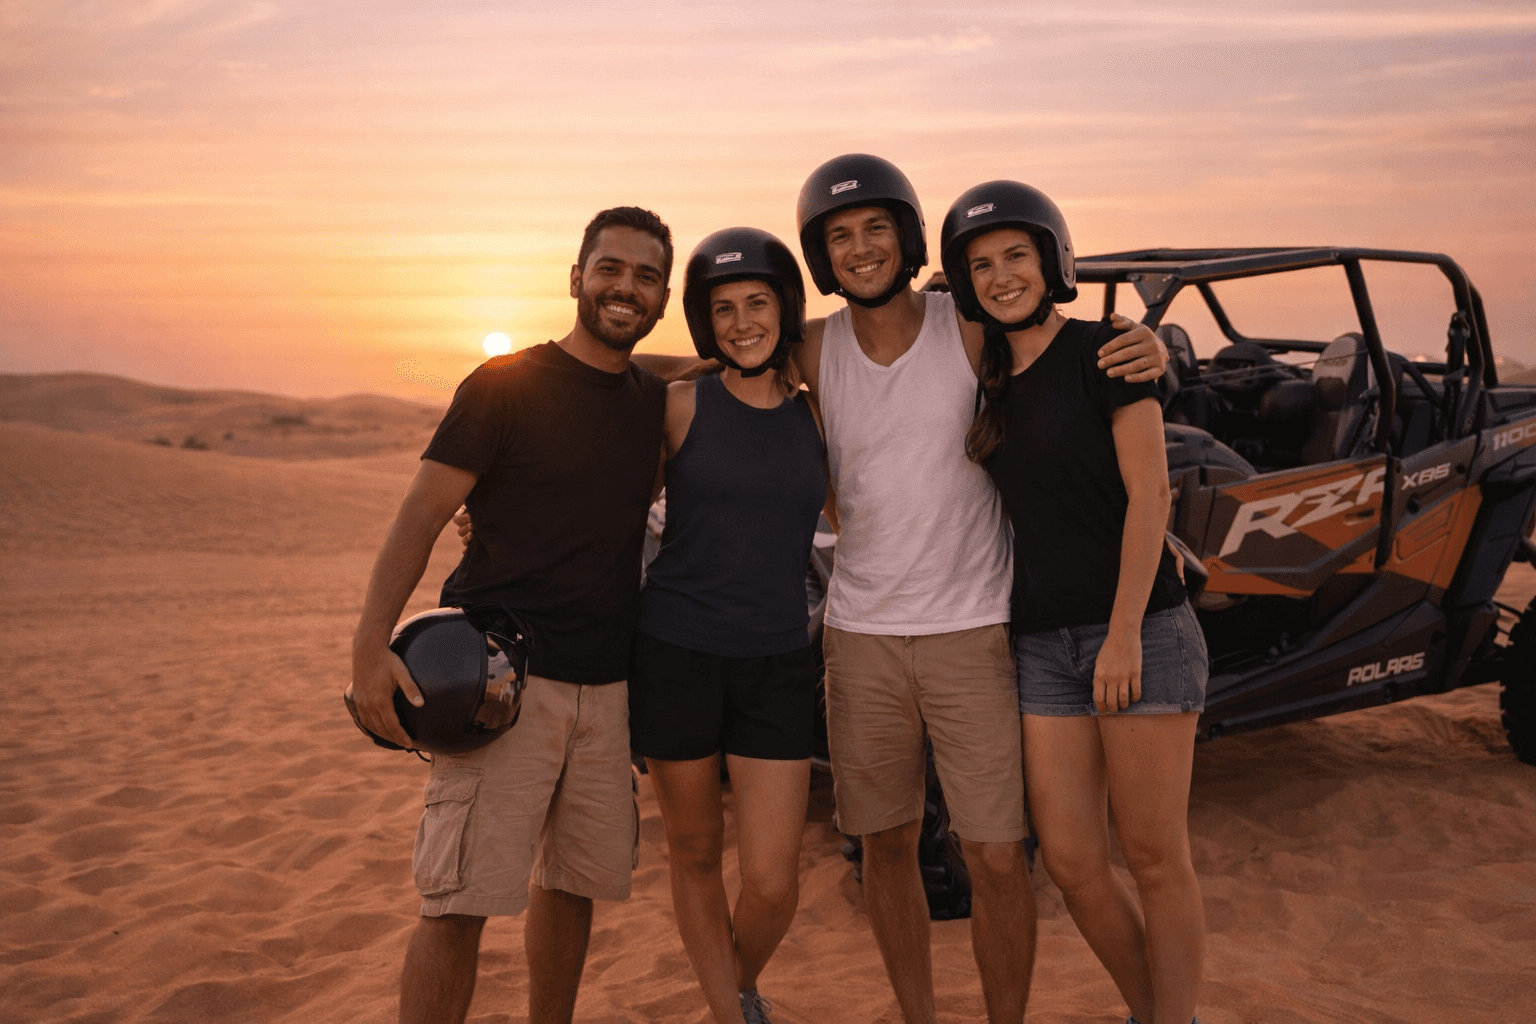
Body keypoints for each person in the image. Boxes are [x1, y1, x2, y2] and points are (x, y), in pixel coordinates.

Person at [783, 154, 1169, 1024]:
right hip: (861, 638)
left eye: (877, 228)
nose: (861, 249)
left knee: (997, 858)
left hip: (977, 633)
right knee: (884, 848)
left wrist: (1140, 346)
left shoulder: (966, 324)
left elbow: (1059, 330)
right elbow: (711, 382)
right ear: (821, 255)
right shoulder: (812, 347)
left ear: (910, 236)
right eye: (839, 236)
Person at [349, 206, 673, 1024]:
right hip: (503, 682)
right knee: (458, 899)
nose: (624, 288)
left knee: (571, 890)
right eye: (610, 268)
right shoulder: (503, 386)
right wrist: (367, 649)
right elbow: (421, 515)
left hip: (606, 695)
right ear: (576, 278)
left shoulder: (652, 403)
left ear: (663, 298)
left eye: (645, 276)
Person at [940, 179, 1208, 1024]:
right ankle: (1153, 1010)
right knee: (1071, 860)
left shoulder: (1109, 352)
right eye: (981, 264)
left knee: (1156, 856)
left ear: (1052, 261)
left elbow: (1150, 498)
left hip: (1142, 632)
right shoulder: (984, 380)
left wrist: (1124, 633)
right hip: (1041, 647)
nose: (1001, 275)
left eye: (1017, 255)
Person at [629, 227, 828, 1024]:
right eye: (723, 310)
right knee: (697, 854)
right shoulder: (678, 404)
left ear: (786, 311)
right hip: (675, 654)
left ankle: (730, 992)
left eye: (758, 304)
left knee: (774, 880)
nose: (743, 322)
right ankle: (731, 1010)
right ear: (704, 323)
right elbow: (606, 509)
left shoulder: (820, 419)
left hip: (778, 661)